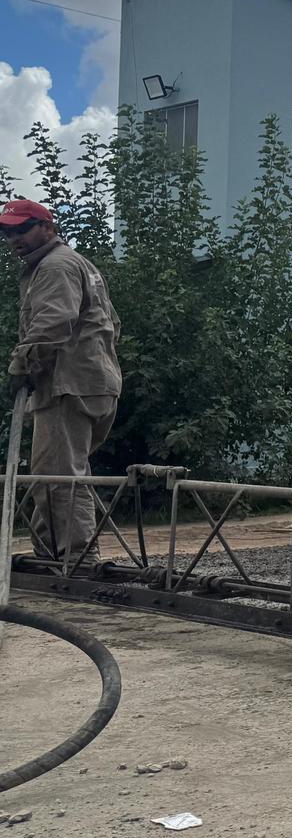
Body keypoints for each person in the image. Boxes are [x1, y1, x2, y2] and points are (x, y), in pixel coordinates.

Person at [4, 199, 121, 568]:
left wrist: (21, 365)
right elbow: (111, 323)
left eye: (22, 229)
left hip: (69, 384)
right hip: (93, 381)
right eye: (8, 232)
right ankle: (51, 552)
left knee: (58, 474)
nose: (14, 239)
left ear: (47, 227)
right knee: (57, 468)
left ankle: (77, 559)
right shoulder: (78, 264)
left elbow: (53, 322)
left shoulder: (55, 267)